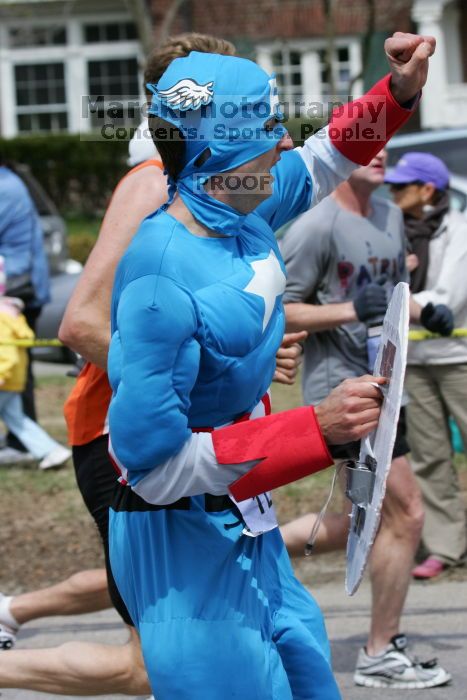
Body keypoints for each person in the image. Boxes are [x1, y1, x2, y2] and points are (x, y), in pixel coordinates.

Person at [106, 34, 433, 699]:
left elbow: (324, 156)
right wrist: (315, 430)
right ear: (218, 151)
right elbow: (148, 470)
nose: (284, 142)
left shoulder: (239, 204)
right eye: (266, 126)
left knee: (310, 677)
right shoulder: (158, 273)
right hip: (180, 544)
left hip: (245, 519)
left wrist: (396, 91)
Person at [0, 32, 301, 698]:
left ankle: (12, 612)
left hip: (169, 440)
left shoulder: (212, 192)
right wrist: (200, 376)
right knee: (154, 665)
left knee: (206, 638)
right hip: (123, 440)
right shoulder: (152, 188)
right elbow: (81, 323)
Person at [278, 148, 451, 689]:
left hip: (388, 384)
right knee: (406, 513)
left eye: (384, 148)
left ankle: (249, 541)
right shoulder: (315, 223)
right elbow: (282, 308)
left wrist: (425, 310)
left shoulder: (390, 216)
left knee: (372, 521)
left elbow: (391, 294)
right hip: (345, 394)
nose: (380, 155)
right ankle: (379, 650)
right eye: (366, 147)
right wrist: (351, 310)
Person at [386, 152, 467, 579]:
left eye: (401, 186)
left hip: (459, 359)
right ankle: (445, 546)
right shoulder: (393, 232)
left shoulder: (460, 230)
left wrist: (403, 301)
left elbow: (449, 298)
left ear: (427, 189)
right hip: (414, 361)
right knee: (431, 457)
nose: (392, 192)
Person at [0, 162, 50, 459]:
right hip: (16, 289)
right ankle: (20, 438)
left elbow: (17, 256)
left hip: (15, 295)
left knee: (15, 368)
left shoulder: (6, 188)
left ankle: (24, 442)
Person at [0, 293, 70, 469]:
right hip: (14, 380)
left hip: (3, 379)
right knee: (18, 420)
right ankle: (52, 452)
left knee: (18, 419)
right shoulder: (16, 320)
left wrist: (1, 375)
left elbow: (6, 354)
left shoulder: (2, 320)